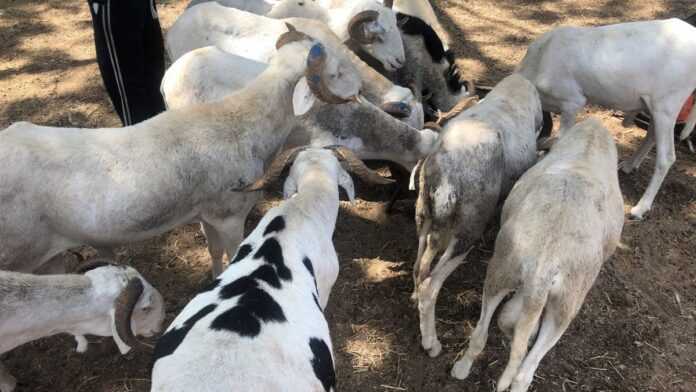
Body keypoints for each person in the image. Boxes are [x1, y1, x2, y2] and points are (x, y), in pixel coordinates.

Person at [86, 0, 167, 126]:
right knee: (132, 92)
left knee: (154, 81)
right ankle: (142, 139)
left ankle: (160, 138)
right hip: (115, 7)